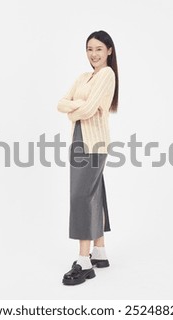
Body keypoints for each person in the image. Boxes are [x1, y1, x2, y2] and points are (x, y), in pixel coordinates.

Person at [57, 30, 119, 285]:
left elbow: (90, 107)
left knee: (81, 196)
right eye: (89, 49)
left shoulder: (107, 74)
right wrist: (76, 109)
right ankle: (100, 252)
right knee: (93, 192)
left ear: (109, 52)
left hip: (93, 143)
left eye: (98, 49)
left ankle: (84, 261)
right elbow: (61, 102)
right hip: (78, 140)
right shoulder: (84, 77)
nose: (93, 54)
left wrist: (75, 108)